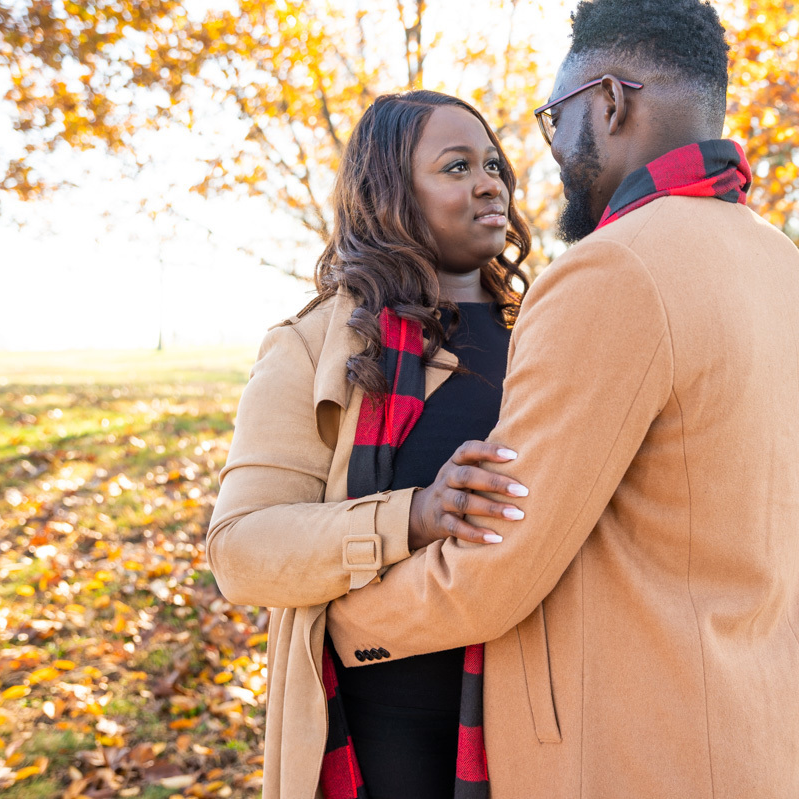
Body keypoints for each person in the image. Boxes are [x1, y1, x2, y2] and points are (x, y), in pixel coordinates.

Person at [325, 1, 799, 797]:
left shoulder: (614, 270)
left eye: (555, 117)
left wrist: (339, 623)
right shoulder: (780, 262)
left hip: (633, 755)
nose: (551, 149)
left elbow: (499, 562)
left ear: (610, 101)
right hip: (751, 738)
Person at [206, 91, 534, 799]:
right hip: (379, 728)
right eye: (456, 167)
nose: (490, 184)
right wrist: (414, 515)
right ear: (390, 195)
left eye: (493, 164)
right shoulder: (313, 347)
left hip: (538, 714)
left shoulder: (547, 331)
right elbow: (240, 549)